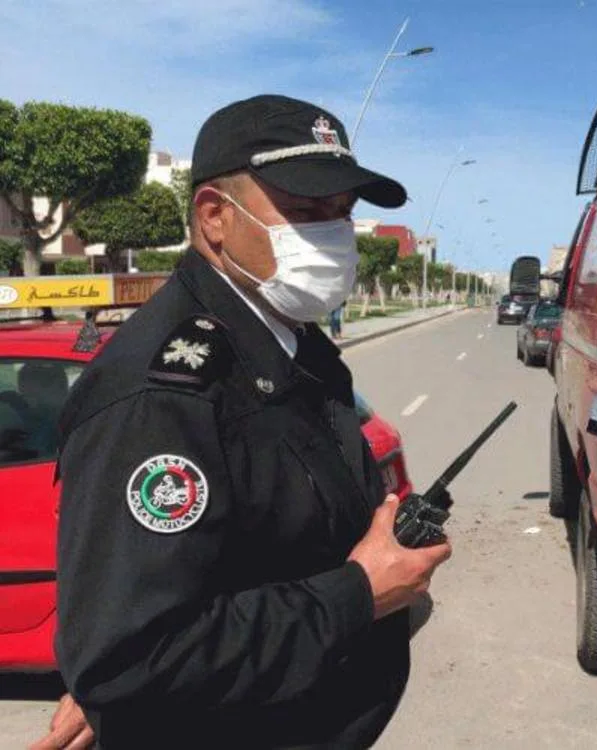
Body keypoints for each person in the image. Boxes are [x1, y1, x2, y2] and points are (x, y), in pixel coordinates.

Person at [32, 94, 451, 750]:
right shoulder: (162, 398)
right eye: (306, 211)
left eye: (343, 213)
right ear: (214, 217)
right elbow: (130, 660)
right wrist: (358, 594)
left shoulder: (289, 344)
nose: (334, 235)